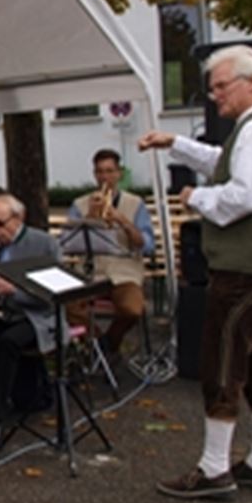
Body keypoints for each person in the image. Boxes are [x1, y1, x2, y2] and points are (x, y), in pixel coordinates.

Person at [139, 44, 252, 500]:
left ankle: (214, 470)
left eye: (221, 86)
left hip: (244, 270)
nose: (215, 96)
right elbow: (221, 162)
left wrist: (197, 199)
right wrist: (175, 143)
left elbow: (246, 194)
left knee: (222, 364)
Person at [0, 193, 62, 441]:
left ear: (19, 219)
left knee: (7, 343)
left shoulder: (44, 244)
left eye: (0, 224)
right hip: (4, 314)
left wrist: (15, 291)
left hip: (38, 316)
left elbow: (53, 296)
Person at [65, 149, 155, 354]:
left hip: (124, 272)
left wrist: (122, 220)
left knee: (133, 309)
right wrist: (89, 217)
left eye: (109, 171)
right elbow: (69, 242)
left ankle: (110, 344)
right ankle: (97, 344)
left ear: (119, 174)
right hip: (90, 272)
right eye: (100, 172)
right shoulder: (80, 204)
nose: (105, 177)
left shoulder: (135, 204)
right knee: (67, 306)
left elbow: (147, 245)